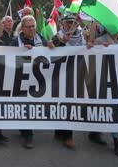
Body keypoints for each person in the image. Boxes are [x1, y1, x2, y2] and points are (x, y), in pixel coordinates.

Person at [84, 24, 118, 158]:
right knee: (111, 107)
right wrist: (99, 48)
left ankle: (94, 133)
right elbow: (91, 56)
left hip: (117, 80)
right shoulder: (100, 41)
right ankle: (116, 140)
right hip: (104, 80)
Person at [9, 15, 47, 149]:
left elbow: (49, 53)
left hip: (37, 80)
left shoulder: (40, 39)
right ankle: (28, 135)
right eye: (28, 27)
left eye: (33, 26)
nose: (32, 29)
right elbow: (7, 58)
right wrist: (21, 52)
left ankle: (26, 130)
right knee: (24, 105)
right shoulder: (15, 42)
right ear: (22, 28)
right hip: (20, 79)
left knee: (31, 106)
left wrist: (52, 46)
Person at [46, 14, 83, 150]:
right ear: (63, 24)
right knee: (60, 102)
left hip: (76, 73)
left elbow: (86, 49)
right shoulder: (58, 35)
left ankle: (67, 135)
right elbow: (50, 47)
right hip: (60, 74)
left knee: (70, 102)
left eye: (73, 23)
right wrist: (59, 42)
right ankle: (61, 131)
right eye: (68, 22)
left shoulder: (80, 36)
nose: (71, 25)